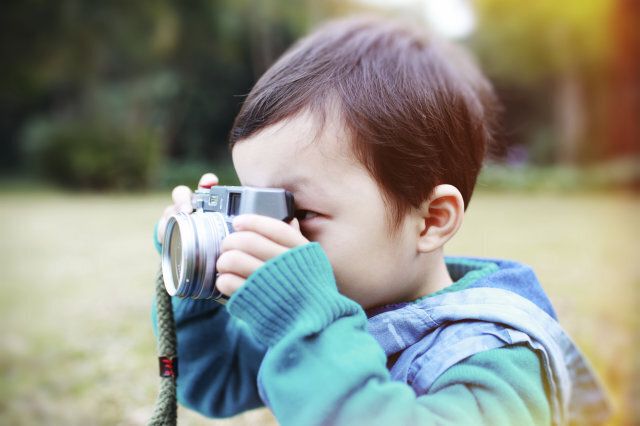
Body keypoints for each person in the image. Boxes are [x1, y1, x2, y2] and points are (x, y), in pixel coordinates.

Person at [153, 17, 609, 425]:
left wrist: (306, 325)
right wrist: (196, 283)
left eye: (301, 212)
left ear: (430, 219)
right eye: (253, 204)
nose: (270, 234)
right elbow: (218, 381)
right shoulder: (317, 305)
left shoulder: (495, 357)